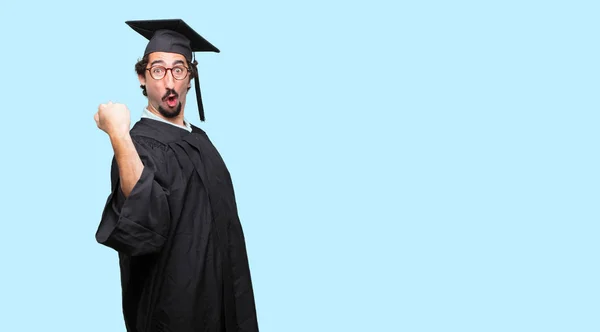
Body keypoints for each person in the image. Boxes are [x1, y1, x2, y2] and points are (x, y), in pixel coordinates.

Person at [93, 19, 259, 332]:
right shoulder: (137, 145)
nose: (169, 81)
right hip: (175, 310)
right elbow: (143, 221)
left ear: (190, 77)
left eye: (178, 69)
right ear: (142, 77)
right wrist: (118, 134)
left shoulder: (200, 139)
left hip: (225, 300)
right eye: (158, 70)